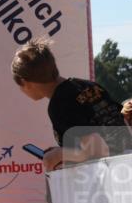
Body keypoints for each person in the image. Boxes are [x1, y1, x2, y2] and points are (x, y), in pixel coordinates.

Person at [12, 38, 131, 170]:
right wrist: (67, 151)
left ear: (25, 82)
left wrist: (59, 155)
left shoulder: (60, 104)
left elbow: (98, 150)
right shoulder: (89, 86)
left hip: (110, 177)